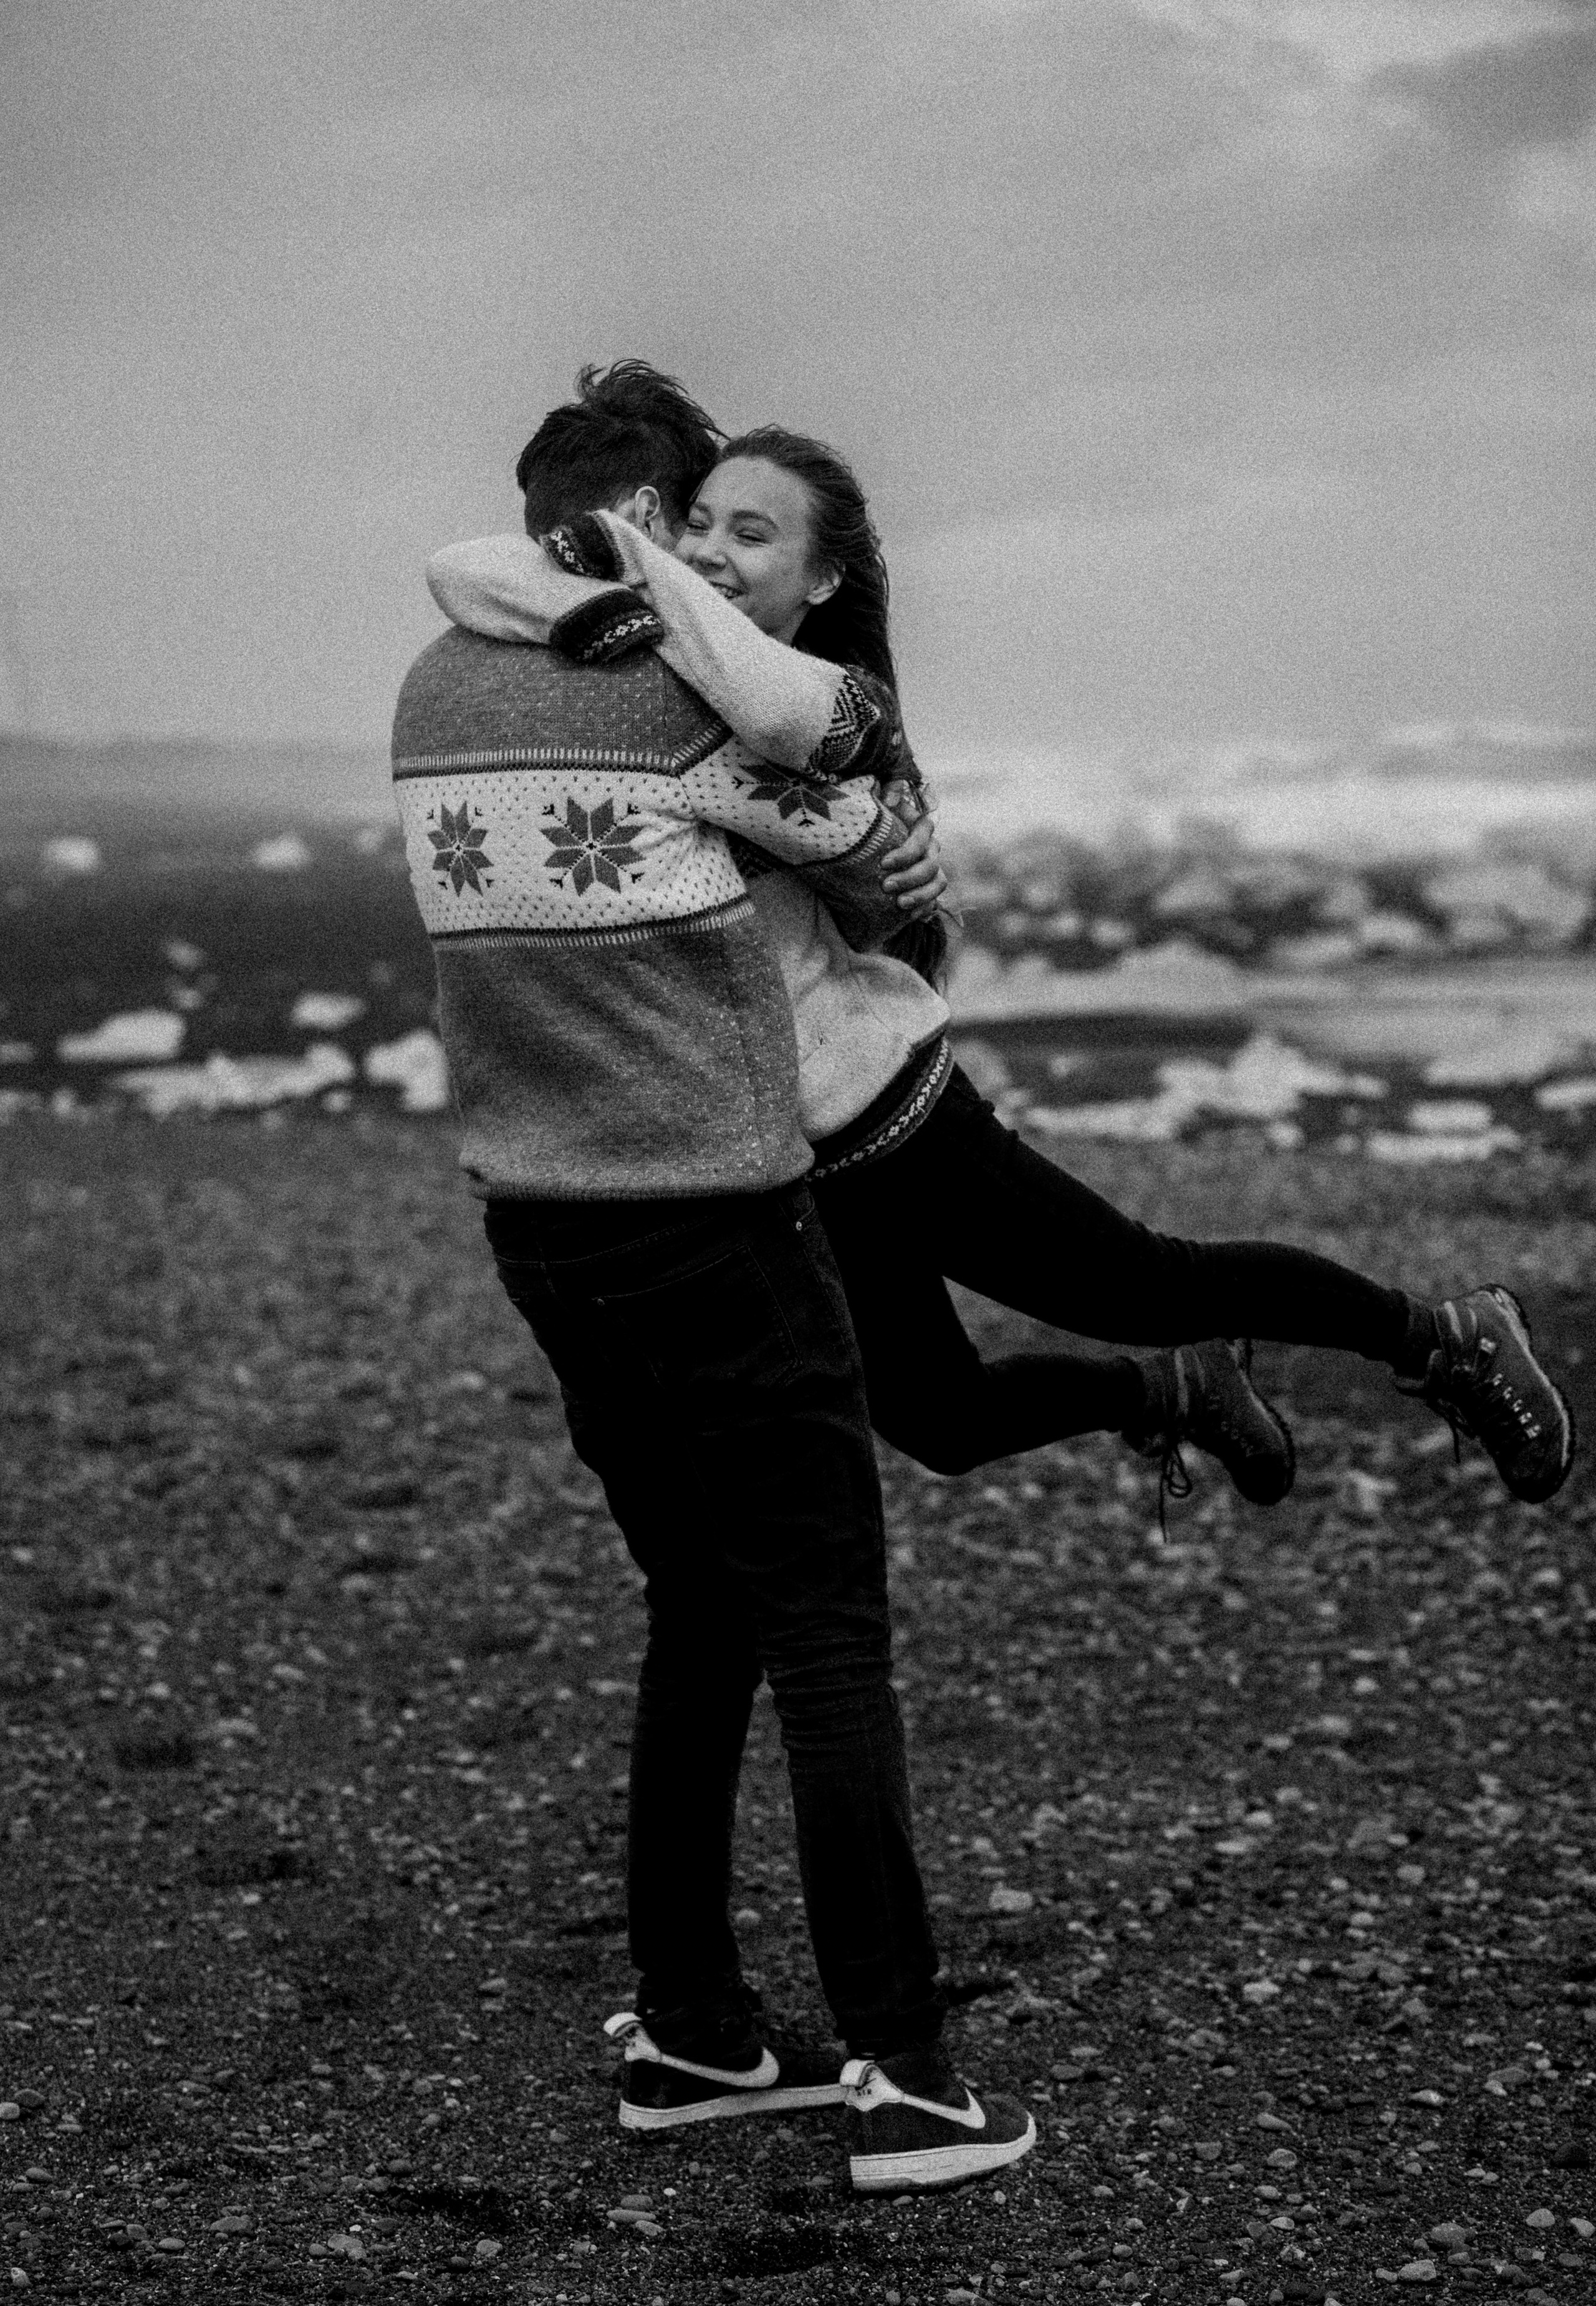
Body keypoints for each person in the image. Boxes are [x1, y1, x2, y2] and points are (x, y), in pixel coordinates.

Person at [431, 430, 1579, 1527]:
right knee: (941, 1420)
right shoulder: (675, 682)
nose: (712, 554)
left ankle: (1444, 1334)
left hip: (883, 1113)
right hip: (778, 1154)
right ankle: (1169, 1396)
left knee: (1141, 1284)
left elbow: (886, 885)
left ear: (821, 579)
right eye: (698, 523)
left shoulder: (796, 717)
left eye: (754, 534)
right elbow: (478, 574)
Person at [393, 362, 1036, 2196]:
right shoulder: (662, 690)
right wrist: (887, 864)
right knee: (828, 1630)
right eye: (696, 527)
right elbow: (872, 833)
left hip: (539, 1225)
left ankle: (694, 2035)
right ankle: (907, 2077)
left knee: (701, 1608)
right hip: (716, 1221)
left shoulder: (428, 687)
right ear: (657, 532)